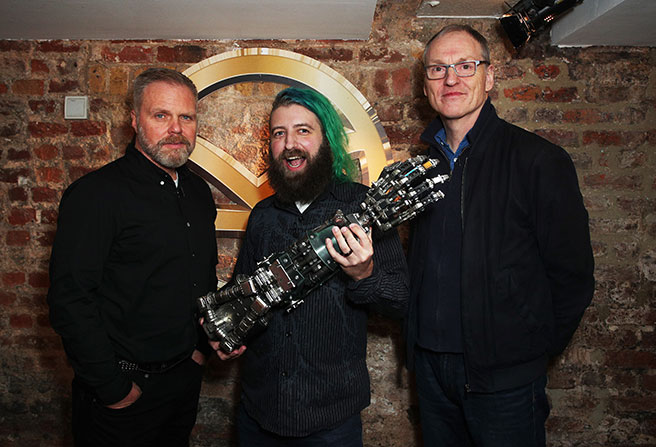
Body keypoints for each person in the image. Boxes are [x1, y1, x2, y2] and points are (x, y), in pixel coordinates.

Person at [405, 25, 595, 446]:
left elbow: (574, 277)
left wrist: (528, 351)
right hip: (431, 374)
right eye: (438, 69)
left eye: (465, 66)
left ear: (489, 77)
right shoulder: (421, 169)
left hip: (505, 380)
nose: (451, 79)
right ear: (426, 84)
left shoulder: (538, 161)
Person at [214, 87, 409, 446]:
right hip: (260, 414)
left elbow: (401, 299)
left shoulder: (363, 207)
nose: (290, 144)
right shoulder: (262, 216)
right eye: (279, 133)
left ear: (327, 139)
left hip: (331, 423)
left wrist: (365, 275)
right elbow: (243, 294)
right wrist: (225, 329)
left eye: (303, 130)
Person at [47, 68, 218, 446]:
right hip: (122, 393)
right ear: (135, 120)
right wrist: (113, 388)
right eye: (161, 115)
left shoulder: (198, 192)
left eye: (186, 117)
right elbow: (70, 300)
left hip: (183, 381)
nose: (176, 129)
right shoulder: (96, 195)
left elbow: (202, 275)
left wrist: (200, 349)